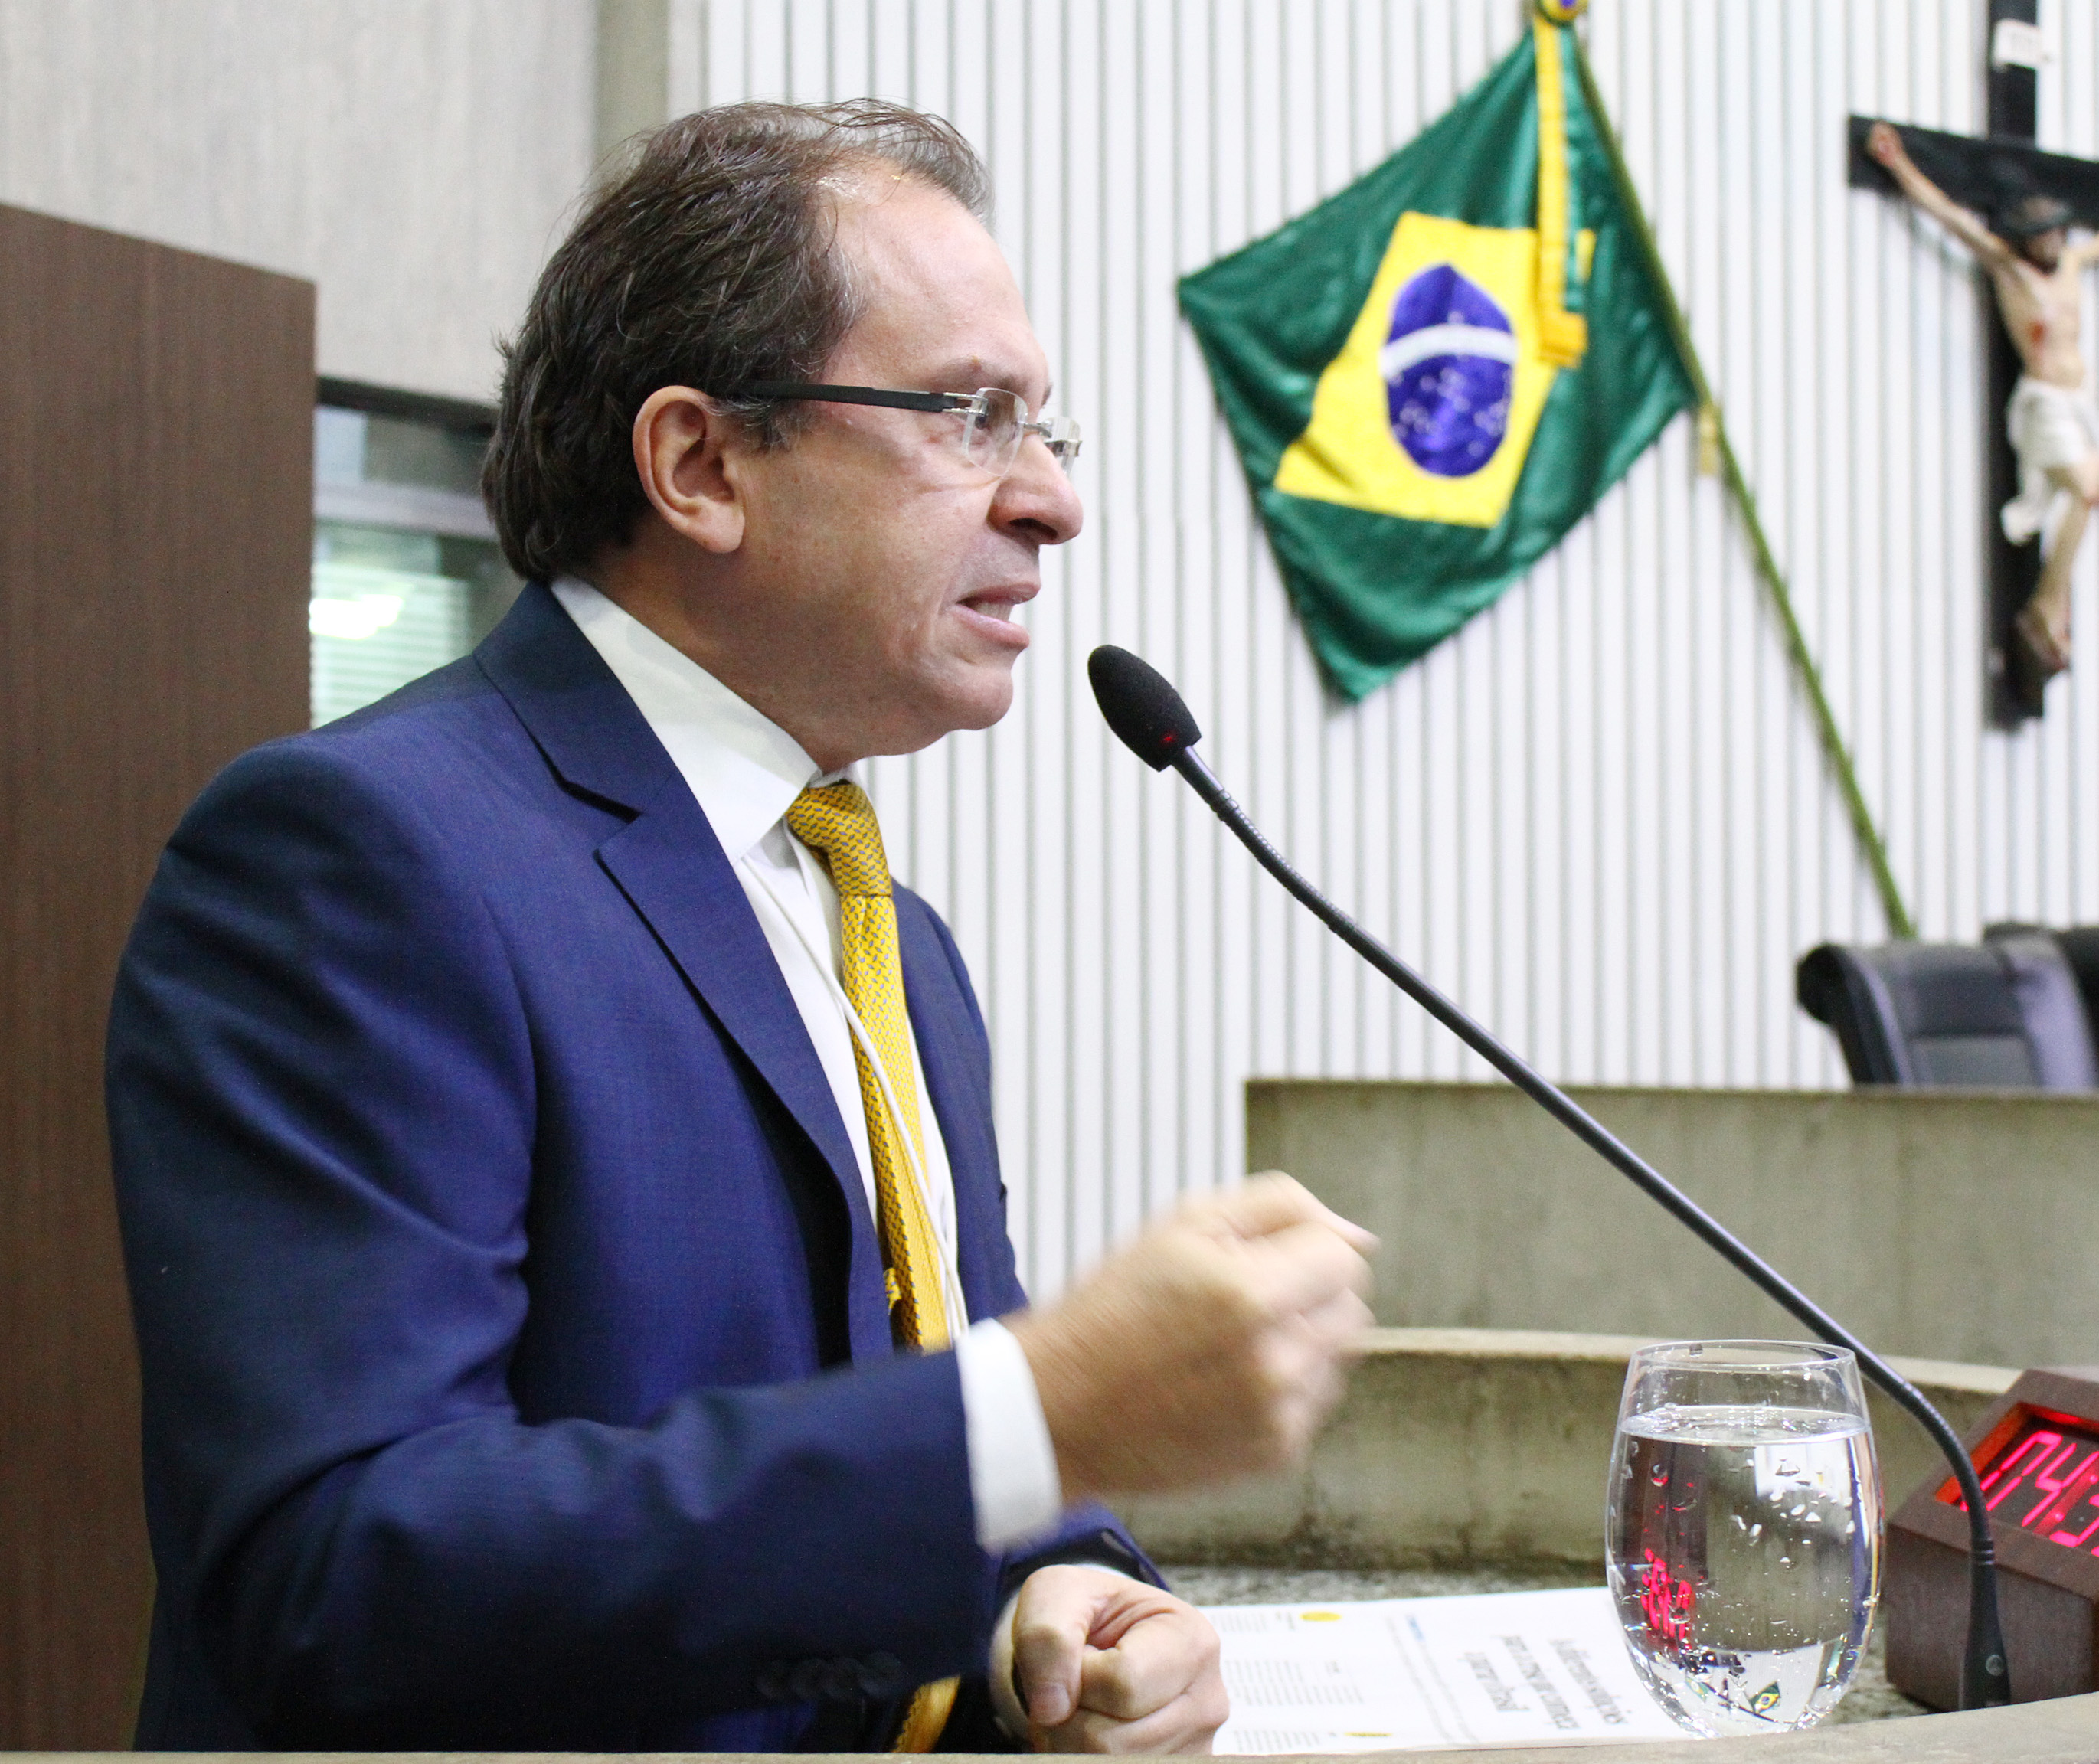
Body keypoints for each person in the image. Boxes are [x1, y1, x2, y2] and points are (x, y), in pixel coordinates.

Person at [106, 101, 1375, 1753]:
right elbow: (337, 1575)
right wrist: (1043, 1412)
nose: (1053, 502)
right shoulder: (360, 855)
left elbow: (915, 1422)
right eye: (973, 416)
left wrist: (1064, 1598)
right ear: (702, 465)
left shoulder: (891, 936)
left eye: (1047, 430)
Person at [1865, 122, 2099, 675]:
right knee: (2087, 489)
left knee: (2088, 496)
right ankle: (2047, 605)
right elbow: (1949, 216)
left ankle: (2052, 608)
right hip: (2045, 402)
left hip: (2079, 402)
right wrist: (1899, 164)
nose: (2051, 244)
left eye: (2056, 234)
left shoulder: (2072, 265)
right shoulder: (2009, 269)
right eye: (2041, 237)